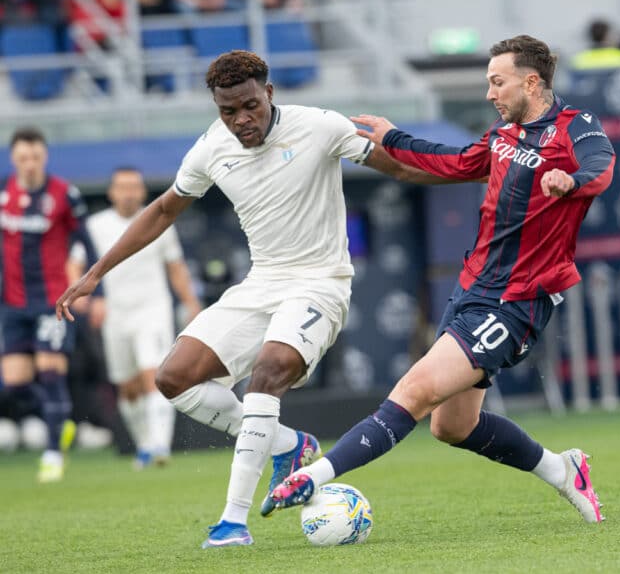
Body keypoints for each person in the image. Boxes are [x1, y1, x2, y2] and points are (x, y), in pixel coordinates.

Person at [55, 50, 452, 548]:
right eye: (228, 111)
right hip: (261, 284)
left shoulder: (320, 127)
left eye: (249, 106)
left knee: (266, 374)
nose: (241, 120)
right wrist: (96, 272)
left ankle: (232, 521)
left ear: (269, 92)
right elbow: (161, 211)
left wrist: (480, 172)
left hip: (320, 283)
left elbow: (403, 170)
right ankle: (288, 444)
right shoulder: (210, 148)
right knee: (173, 378)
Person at [263, 34, 615, 525]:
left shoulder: (577, 127)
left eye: (498, 82)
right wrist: (393, 137)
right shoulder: (501, 137)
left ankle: (313, 477)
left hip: (516, 302)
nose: (490, 93)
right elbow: (453, 161)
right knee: (452, 426)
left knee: (415, 390)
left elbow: (602, 167)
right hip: (472, 289)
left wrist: (571, 181)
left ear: (531, 82)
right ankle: (563, 470)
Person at [74, 166, 202, 469]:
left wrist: (191, 302)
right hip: (115, 315)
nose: (129, 192)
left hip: (152, 310)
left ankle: (160, 446)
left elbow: (176, 268)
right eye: (122, 187)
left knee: (152, 375)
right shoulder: (95, 226)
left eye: (134, 187)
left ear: (142, 191)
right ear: (112, 192)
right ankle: (145, 444)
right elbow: (76, 264)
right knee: (128, 387)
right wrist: (87, 300)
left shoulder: (159, 221)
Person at [1, 127, 101, 482]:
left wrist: (95, 292)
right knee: (13, 382)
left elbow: (86, 243)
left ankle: (53, 453)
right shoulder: (3, 193)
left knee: (51, 372)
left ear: (45, 157)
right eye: (23, 158)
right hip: (12, 304)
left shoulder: (63, 194)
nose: (29, 164)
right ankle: (61, 418)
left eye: (36, 157)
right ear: (14, 159)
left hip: (52, 301)